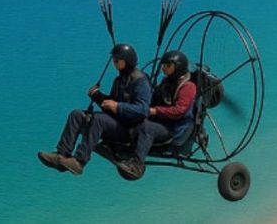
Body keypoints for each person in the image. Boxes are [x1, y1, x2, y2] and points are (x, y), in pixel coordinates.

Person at [37, 42, 152, 175]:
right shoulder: (119, 80)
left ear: (127, 60)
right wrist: (98, 97)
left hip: (129, 130)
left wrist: (117, 106)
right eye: (113, 60)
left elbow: (143, 110)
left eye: (116, 60)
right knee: (76, 115)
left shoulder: (141, 80)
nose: (114, 63)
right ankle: (62, 155)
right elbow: (111, 106)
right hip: (116, 123)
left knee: (98, 120)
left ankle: (79, 161)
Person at [119, 49, 197, 180]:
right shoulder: (167, 82)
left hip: (174, 130)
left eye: (168, 66)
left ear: (177, 67)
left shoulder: (187, 87)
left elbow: (179, 111)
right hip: (162, 123)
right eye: (163, 65)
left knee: (146, 127)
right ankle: (123, 148)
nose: (164, 69)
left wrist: (156, 111)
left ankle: (137, 165)